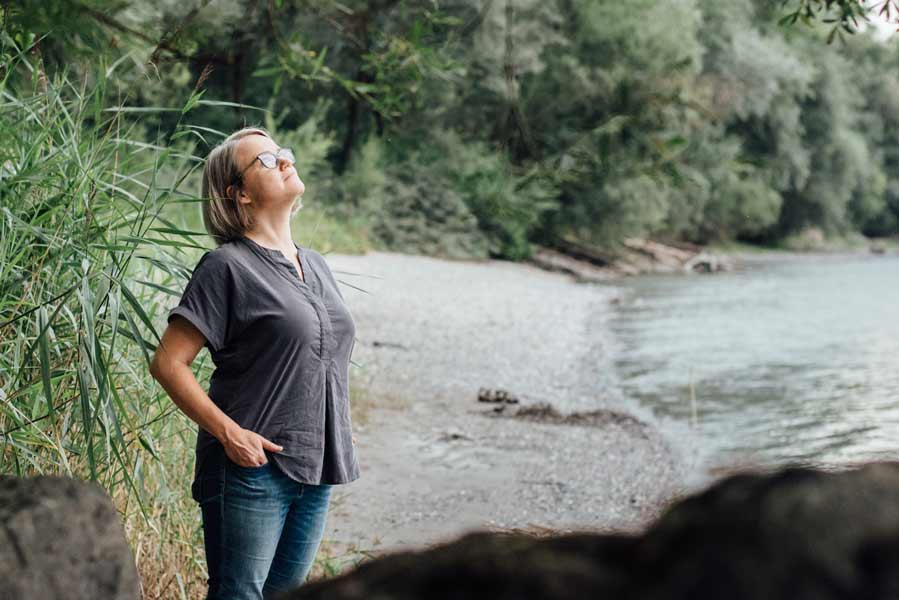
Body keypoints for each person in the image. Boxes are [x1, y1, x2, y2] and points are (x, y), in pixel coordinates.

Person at [149, 126, 360, 600]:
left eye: (283, 153)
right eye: (266, 160)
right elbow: (167, 363)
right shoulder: (226, 267)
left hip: (318, 463)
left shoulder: (317, 264)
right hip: (251, 469)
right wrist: (230, 433)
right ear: (239, 194)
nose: (285, 161)